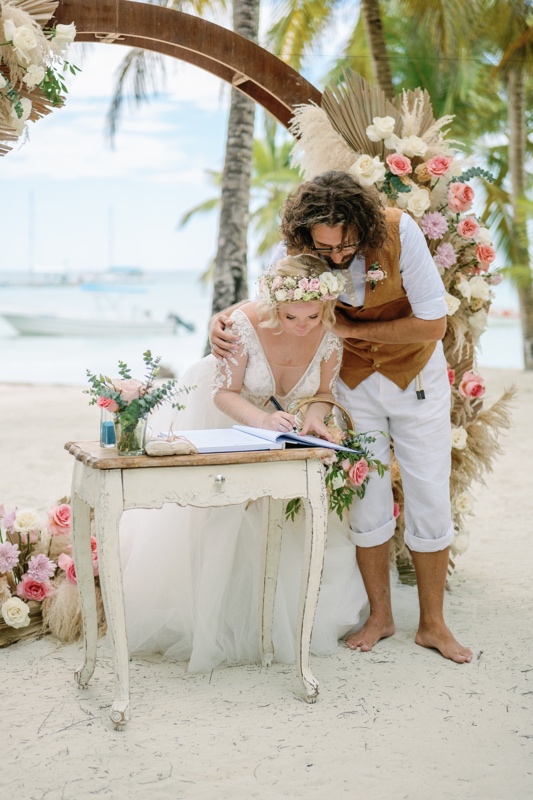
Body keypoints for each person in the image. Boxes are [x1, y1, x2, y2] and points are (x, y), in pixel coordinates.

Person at [211, 171, 473, 664]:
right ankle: (381, 616)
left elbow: (433, 323)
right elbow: (268, 301)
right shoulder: (300, 247)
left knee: (429, 494)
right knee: (366, 499)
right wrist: (220, 318)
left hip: (416, 379)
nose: (335, 255)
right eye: (324, 246)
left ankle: (434, 625)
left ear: (363, 226)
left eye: (345, 244)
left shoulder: (400, 231)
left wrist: (349, 327)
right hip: (351, 386)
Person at [119, 254, 371, 673]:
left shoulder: (328, 334)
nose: (304, 325)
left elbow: (324, 392)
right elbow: (224, 393)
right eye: (293, 316)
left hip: (280, 429)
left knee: (286, 523)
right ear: (275, 305)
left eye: (312, 315)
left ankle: (274, 621)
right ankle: (212, 624)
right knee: (222, 523)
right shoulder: (242, 326)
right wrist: (264, 421)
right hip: (225, 419)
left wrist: (313, 417)